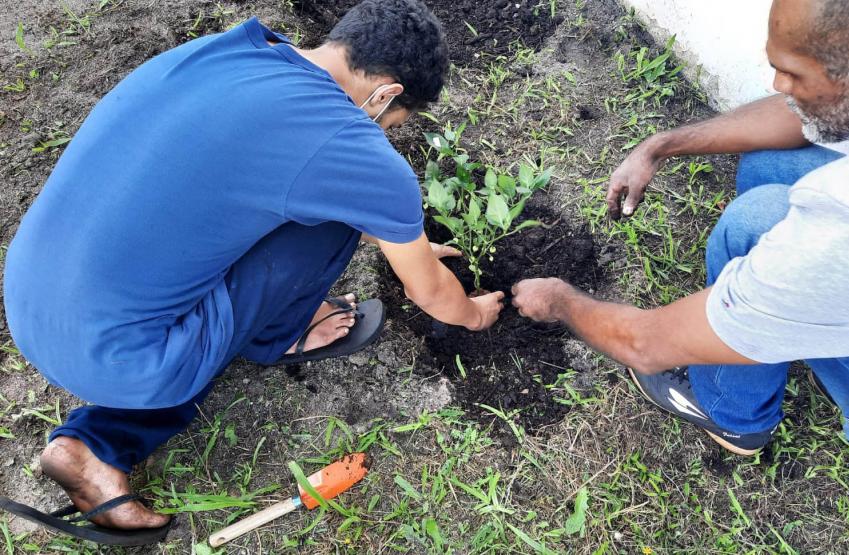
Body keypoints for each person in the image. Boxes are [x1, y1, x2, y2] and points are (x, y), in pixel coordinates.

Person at [1, 0, 504, 540]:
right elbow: (428, 292)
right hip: (117, 358)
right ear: (385, 93)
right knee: (336, 221)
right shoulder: (345, 142)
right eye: (392, 122)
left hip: (29, 298)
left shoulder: (225, 51)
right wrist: (474, 314)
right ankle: (253, 349)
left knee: (314, 198)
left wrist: (412, 241)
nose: (383, 132)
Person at [513, 0, 849, 487]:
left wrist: (560, 301)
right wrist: (660, 144)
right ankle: (789, 326)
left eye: (792, 73)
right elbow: (800, 117)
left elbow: (647, 343)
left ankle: (732, 415)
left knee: (750, 227)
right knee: (769, 166)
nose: (777, 87)